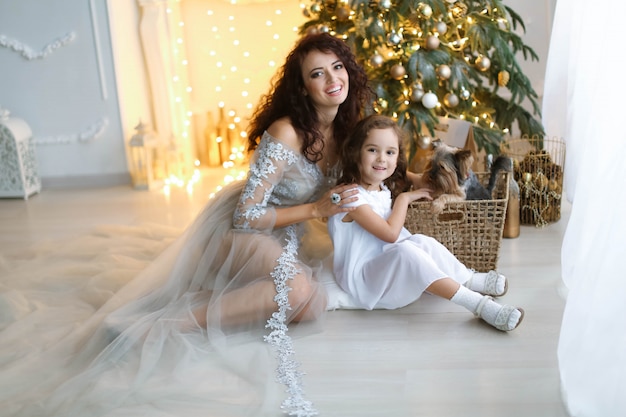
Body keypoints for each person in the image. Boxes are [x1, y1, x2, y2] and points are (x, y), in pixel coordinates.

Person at [0, 33, 371, 417]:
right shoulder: (286, 132)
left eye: (338, 67)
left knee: (311, 306)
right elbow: (247, 215)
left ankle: (214, 298)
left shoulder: (346, 127)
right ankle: (163, 325)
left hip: (291, 231)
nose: (332, 79)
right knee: (297, 294)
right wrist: (314, 210)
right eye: (317, 73)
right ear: (303, 88)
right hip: (245, 228)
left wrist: (418, 185)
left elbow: (377, 169)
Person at [327, 114, 524, 331]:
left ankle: (468, 279)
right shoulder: (351, 198)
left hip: (387, 267)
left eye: (390, 152)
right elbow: (391, 234)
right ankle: (478, 304)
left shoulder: (381, 185)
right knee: (407, 252)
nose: (382, 159)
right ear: (355, 153)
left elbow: (419, 178)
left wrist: (445, 180)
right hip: (366, 280)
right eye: (372, 150)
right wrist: (404, 198)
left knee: (422, 241)